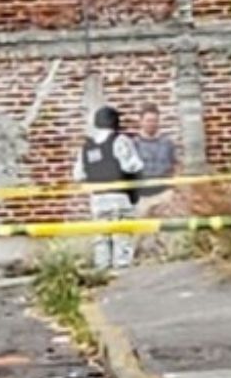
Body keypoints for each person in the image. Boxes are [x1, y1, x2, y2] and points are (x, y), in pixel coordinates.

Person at [73, 106, 144, 271]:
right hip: (119, 195)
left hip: (97, 198)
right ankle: (122, 271)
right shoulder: (120, 140)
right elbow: (132, 166)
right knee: (122, 235)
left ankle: (102, 269)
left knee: (100, 235)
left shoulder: (86, 146)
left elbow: (78, 174)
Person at [133, 103, 179, 203]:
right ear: (141, 122)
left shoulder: (167, 143)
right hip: (142, 197)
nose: (152, 124)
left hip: (165, 194)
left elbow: (175, 166)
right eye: (148, 121)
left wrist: (174, 188)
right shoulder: (133, 145)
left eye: (155, 121)